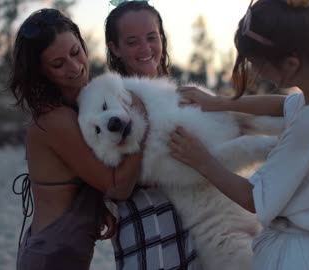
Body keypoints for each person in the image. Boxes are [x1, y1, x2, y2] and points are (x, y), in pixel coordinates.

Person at [169, 0, 309, 269]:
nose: (256, 71)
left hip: (299, 257)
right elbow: (281, 105)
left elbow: (253, 197)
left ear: (290, 63)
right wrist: (220, 103)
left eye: (257, 63)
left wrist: (200, 159)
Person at [9, 8, 149, 270]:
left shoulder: (82, 107)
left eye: (76, 52)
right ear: (42, 72)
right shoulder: (55, 119)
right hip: (51, 257)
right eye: (58, 64)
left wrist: (97, 205)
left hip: (61, 253)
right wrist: (143, 123)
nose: (75, 68)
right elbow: (117, 186)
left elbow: (81, 177)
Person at [105, 2, 200, 270]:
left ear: (162, 38)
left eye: (151, 37)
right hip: (146, 237)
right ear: (115, 48)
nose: (145, 49)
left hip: (192, 235)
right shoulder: (111, 104)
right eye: (132, 41)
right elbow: (107, 178)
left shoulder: (183, 98)